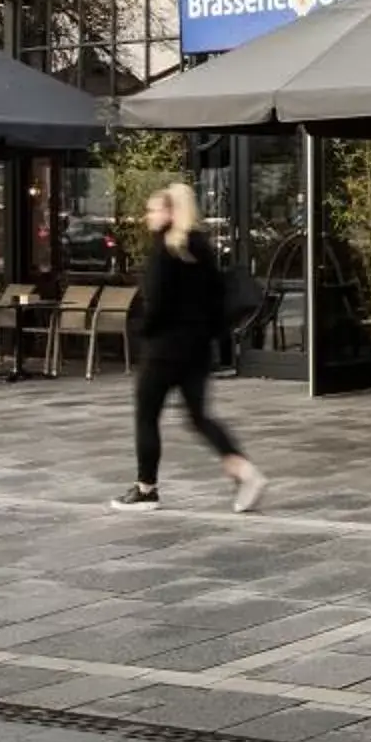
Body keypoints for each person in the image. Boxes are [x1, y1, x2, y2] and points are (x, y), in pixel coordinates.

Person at [110, 183, 267, 512]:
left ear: (169, 212)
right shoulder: (203, 250)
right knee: (200, 417)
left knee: (146, 417)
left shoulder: (163, 253)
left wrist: (142, 332)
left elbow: (155, 306)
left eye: (153, 210)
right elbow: (215, 302)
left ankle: (146, 488)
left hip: (162, 350)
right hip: (197, 350)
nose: (147, 216)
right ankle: (244, 470)